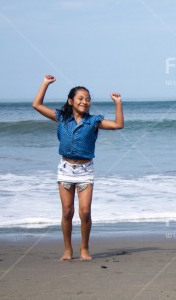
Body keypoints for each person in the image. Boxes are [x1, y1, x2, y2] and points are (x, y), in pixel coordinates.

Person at [32, 75, 124, 260]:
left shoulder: (94, 121)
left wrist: (118, 103)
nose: (85, 102)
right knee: (67, 211)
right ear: (71, 101)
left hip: (85, 171)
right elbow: (37, 105)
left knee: (85, 212)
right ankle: (67, 250)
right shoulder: (62, 118)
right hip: (65, 169)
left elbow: (118, 125)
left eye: (88, 99)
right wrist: (45, 84)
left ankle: (84, 248)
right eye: (81, 98)